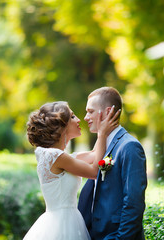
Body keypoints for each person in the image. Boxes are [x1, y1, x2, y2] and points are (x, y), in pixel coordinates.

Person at [23, 101, 120, 240]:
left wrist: (101, 128)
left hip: (65, 220)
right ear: (61, 126)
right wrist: (102, 134)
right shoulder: (55, 156)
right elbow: (94, 172)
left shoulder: (60, 157)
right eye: (73, 117)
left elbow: (94, 154)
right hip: (61, 224)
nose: (79, 120)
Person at [78, 87, 147, 240]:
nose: (85, 117)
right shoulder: (101, 146)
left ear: (108, 112)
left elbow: (133, 203)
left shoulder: (129, 147)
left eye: (90, 111)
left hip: (114, 235)